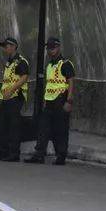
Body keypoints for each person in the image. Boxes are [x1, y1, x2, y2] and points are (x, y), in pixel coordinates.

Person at [25, 37, 75, 165]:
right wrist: (44, 101)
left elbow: (71, 82)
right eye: (48, 48)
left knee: (61, 130)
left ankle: (61, 156)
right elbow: (49, 84)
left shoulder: (65, 64)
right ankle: (39, 154)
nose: (50, 50)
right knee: (43, 128)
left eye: (52, 48)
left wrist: (69, 100)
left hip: (61, 100)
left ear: (58, 48)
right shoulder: (49, 65)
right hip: (49, 101)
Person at [0, 37, 29, 162]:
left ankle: (14, 154)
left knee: (13, 126)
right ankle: (3, 151)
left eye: (6, 46)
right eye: (4, 46)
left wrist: (12, 90)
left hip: (16, 96)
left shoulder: (21, 61)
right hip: (6, 97)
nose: (5, 49)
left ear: (13, 47)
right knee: (1, 124)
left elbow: (24, 77)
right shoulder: (9, 62)